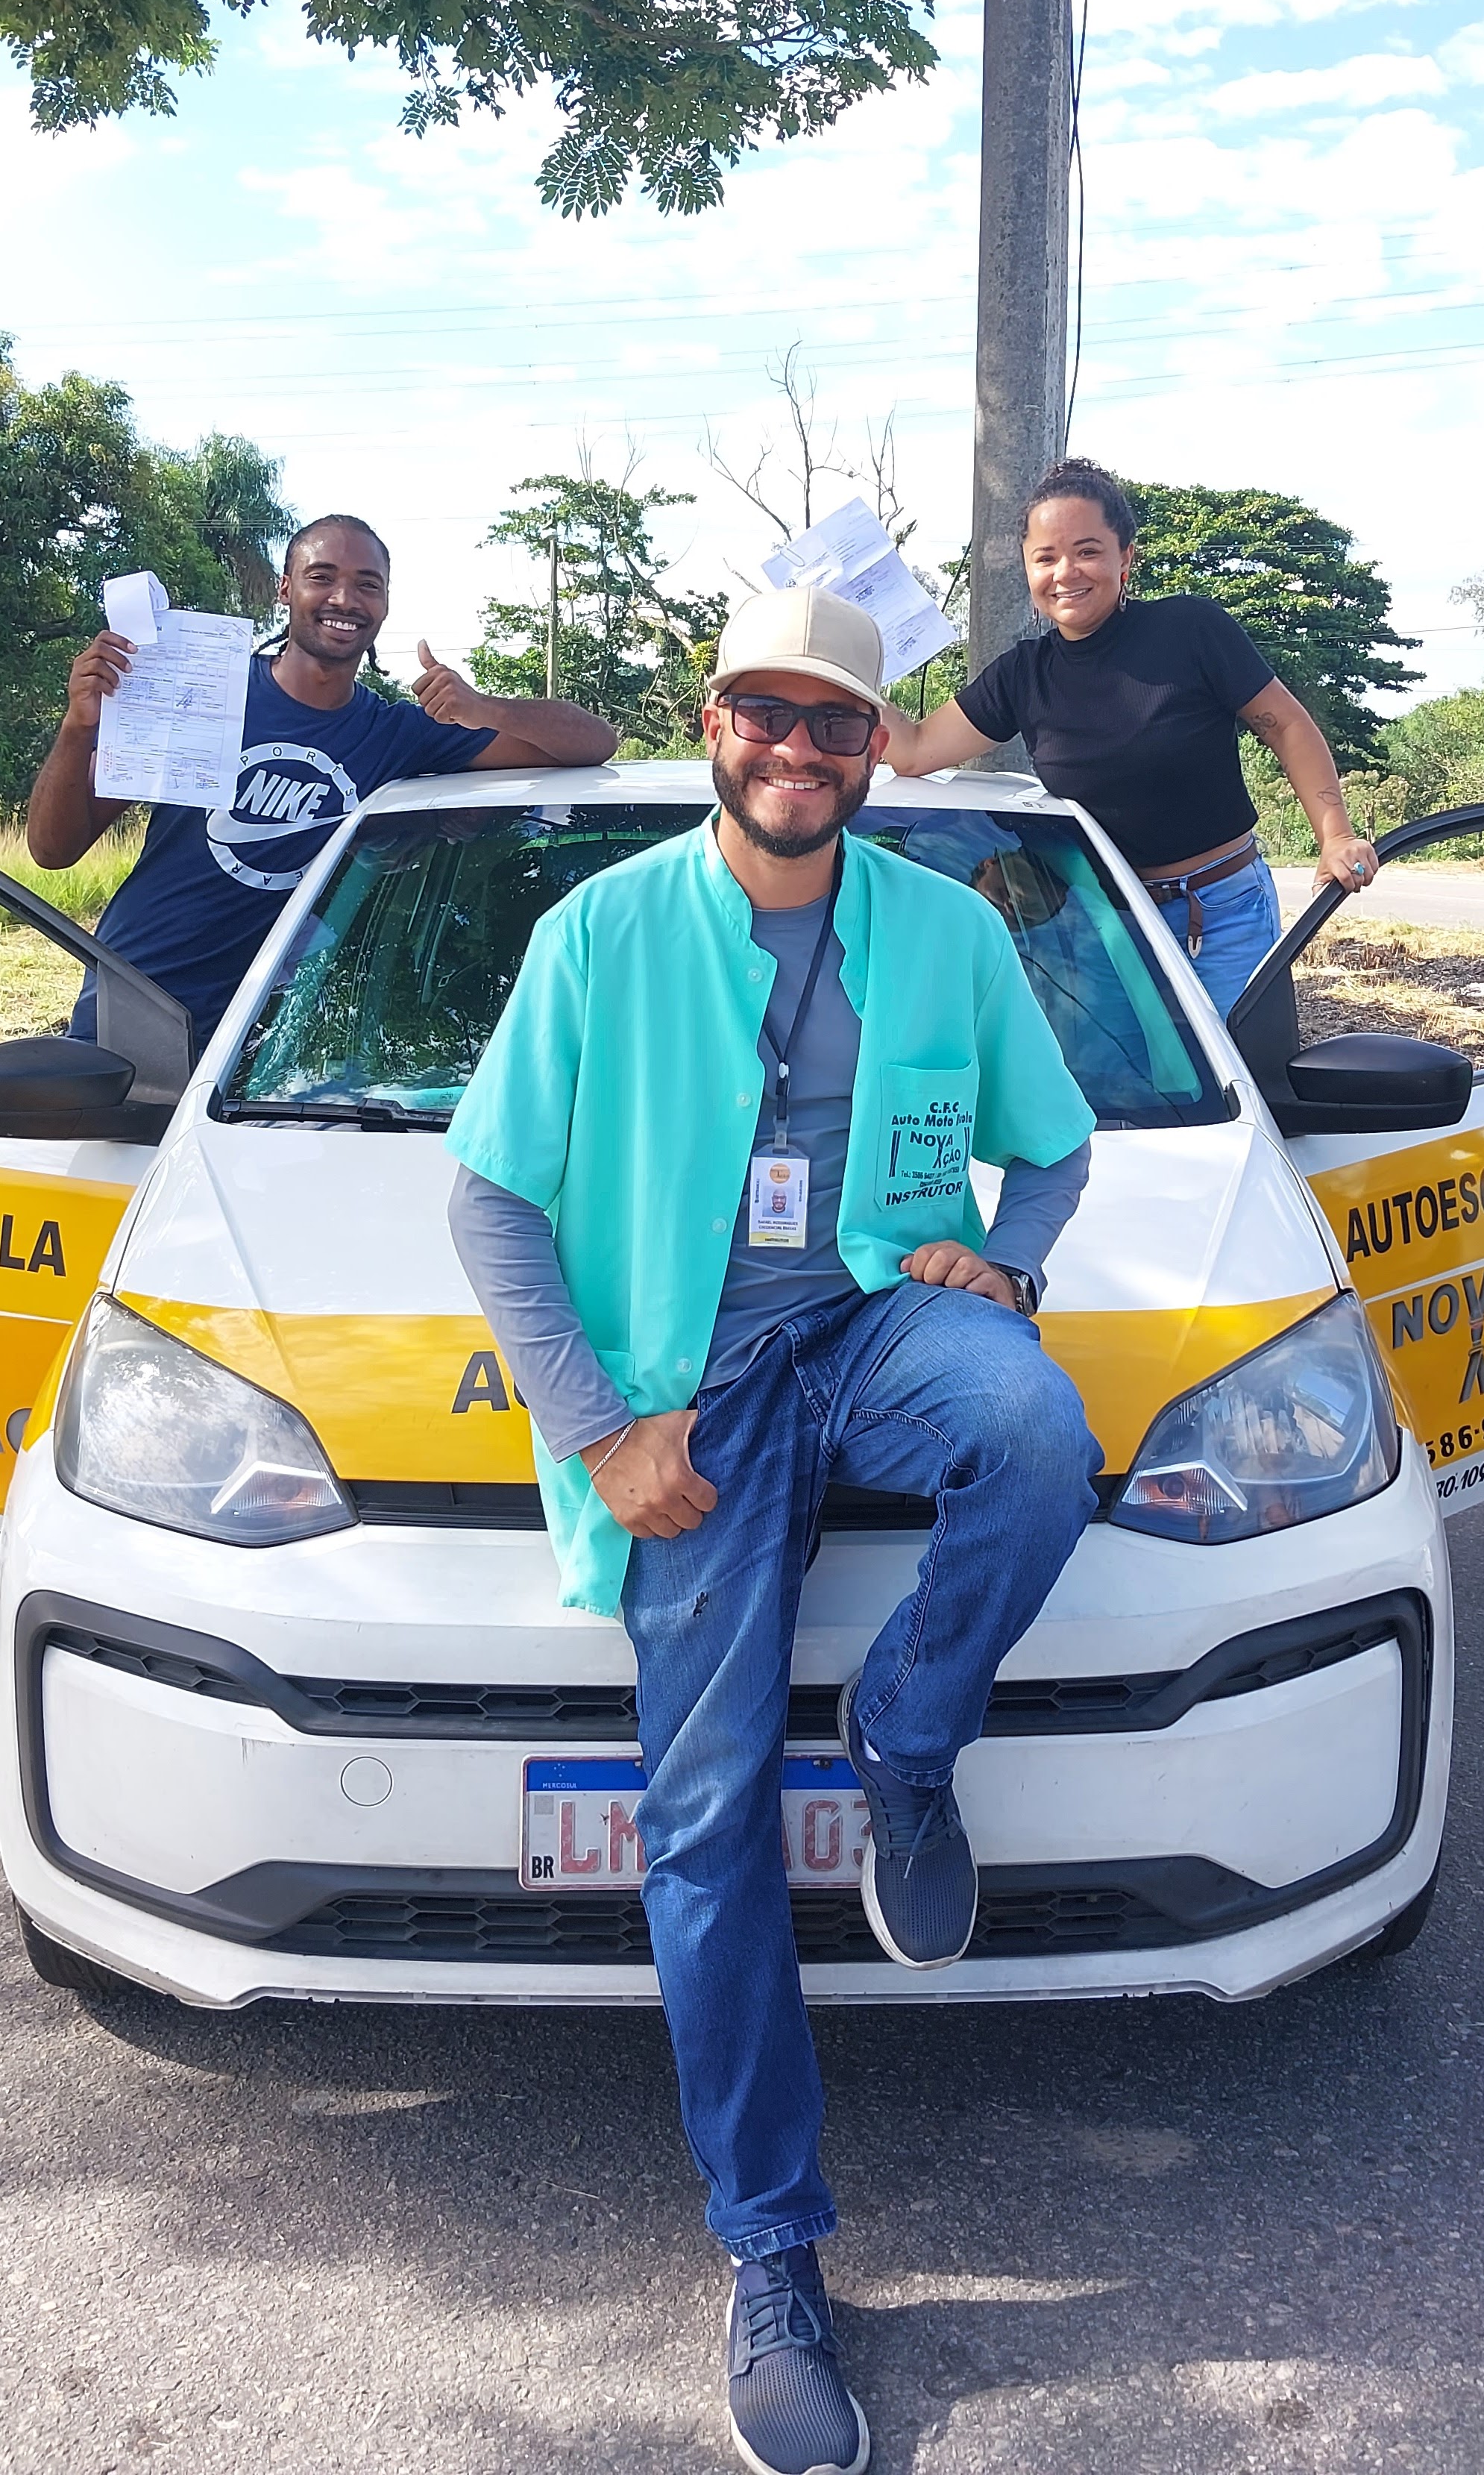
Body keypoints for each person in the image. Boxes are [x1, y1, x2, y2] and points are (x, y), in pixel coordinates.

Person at [444, 583, 1101, 2475]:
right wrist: (598, 1429)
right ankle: (773, 2251)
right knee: (709, 1805)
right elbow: (491, 1198)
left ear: (880, 746)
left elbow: (1051, 1145)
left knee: (1034, 1427)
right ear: (711, 719)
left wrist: (1011, 1256)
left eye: (836, 721)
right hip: (690, 1381)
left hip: (876, 1320)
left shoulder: (949, 931)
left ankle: (908, 1736)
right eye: (766, 713)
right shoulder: (602, 931)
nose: (797, 749)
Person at [27, 512, 618, 1057]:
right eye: (322, 577)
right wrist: (79, 727)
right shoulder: (205, 698)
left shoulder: (399, 734)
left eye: (368, 584)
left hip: (279, 1040)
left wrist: (484, 705)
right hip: (142, 1001)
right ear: (286, 590)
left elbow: (593, 745)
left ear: (386, 603)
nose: (345, 599)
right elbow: (54, 851)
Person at [878, 459, 1378, 1016]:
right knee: (1122, 1090)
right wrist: (837, 669)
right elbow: (916, 750)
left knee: (1238, 1080)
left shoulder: (1190, 630)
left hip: (1221, 911)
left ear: (1126, 558)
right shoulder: (1022, 676)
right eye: (1046, 558)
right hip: (1103, 921)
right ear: (1027, 569)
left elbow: (1285, 725)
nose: (1066, 572)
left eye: (1088, 551)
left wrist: (1335, 836)